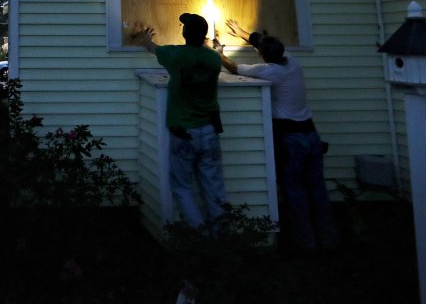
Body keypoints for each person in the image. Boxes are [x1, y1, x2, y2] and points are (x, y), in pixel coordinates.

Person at [217, 19, 339, 253]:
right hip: (311, 135)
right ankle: (329, 239)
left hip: (292, 140)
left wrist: (218, 52)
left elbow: (232, 68)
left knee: (294, 191)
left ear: (263, 56)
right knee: (317, 189)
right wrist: (243, 32)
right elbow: (263, 42)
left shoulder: (268, 72)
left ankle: (306, 243)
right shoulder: (293, 63)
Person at [131, 13, 226, 229]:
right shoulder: (213, 59)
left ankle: (197, 236)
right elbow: (216, 55)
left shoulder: (174, 55)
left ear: (184, 33)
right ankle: (220, 238)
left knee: (182, 187)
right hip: (210, 131)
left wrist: (146, 39)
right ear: (205, 35)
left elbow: (152, 48)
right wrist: (218, 49)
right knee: (213, 186)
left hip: (184, 133)